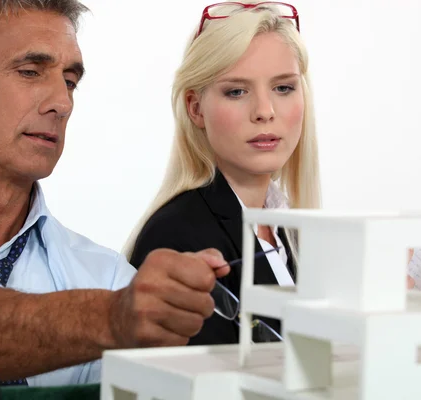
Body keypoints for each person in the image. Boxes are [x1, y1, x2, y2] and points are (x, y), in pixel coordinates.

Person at [0, 0, 231, 387]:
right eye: (29, 72)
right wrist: (107, 320)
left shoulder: (109, 279)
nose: (63, 103)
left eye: (70, 81)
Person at [124, 2, 320, 345]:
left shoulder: (288, 230)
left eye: (283, 88)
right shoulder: (176, 239)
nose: (264, 111)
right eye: (237, 91)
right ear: (195, 108)